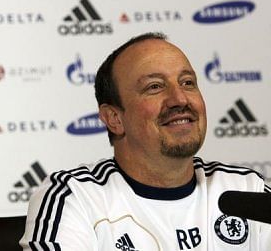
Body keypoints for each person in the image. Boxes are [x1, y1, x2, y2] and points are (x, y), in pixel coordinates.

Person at [20, 32, 271, 250]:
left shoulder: (247, 189)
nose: (180, 99)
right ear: (114, 118)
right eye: (155, 87)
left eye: (188, 83)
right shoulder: (75, 198)